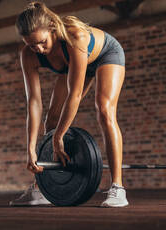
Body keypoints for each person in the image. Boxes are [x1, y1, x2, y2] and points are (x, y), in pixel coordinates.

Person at [9, 1, 128, 207]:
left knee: (104, 110)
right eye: (31, 45)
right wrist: (30, 148)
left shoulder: (74, 37)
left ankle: (118, 188)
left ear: (52, 29)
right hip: (72, 66)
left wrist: (59, 137)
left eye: (43, 42)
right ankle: (41, 189)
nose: (39, 49)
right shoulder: (28, 55)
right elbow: (34, 102)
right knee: (51, 121)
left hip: (105, 55)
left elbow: (75, 94)